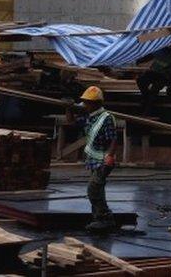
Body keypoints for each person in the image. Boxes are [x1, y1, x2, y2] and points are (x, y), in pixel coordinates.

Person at [67, 86, 118, 232]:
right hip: (93, 160)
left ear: (96, 103)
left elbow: (113, 139)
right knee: (98, 189)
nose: (85, 105)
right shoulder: (89, 117)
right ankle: (98, 218)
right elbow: (71, 123)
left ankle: (104, 218)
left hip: (103, 160)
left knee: (93, 189)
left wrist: (110, 156)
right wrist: (68, 108)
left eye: (88, 102)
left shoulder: (106, 118)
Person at [136, 44, 171, 113]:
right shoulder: (160, 48)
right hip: (155, 72)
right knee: (141, 80)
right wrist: (138, 60)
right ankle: (146, 98)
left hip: (166, 76)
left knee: (154, 89)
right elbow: (149, 56)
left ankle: (148, 109)